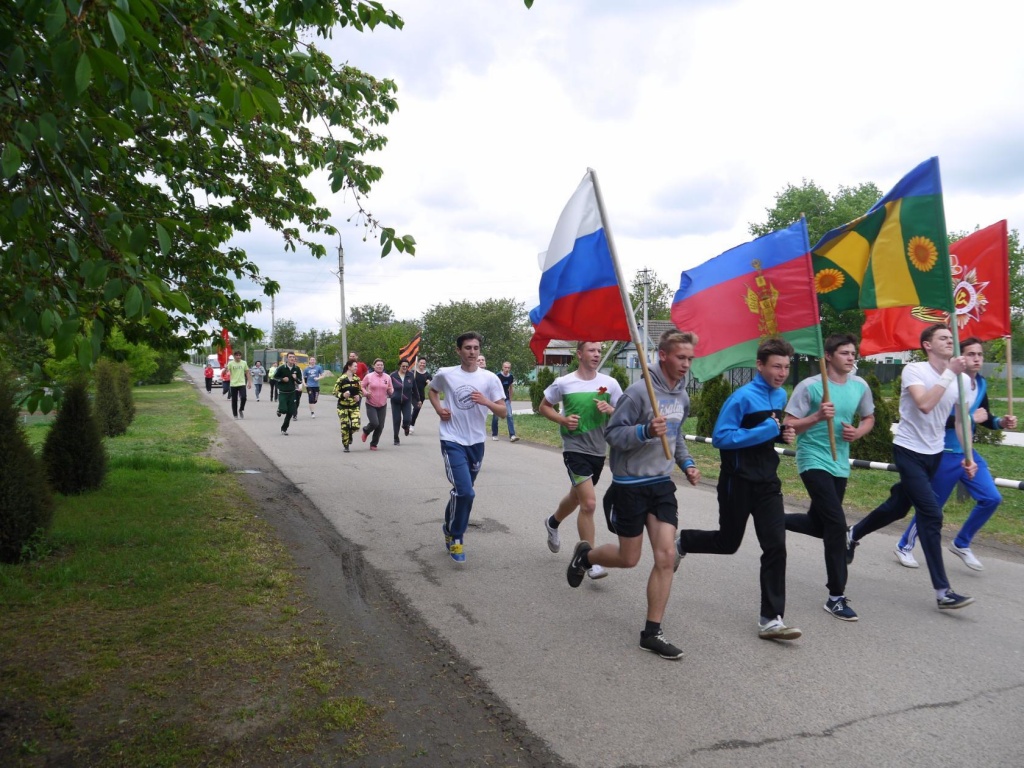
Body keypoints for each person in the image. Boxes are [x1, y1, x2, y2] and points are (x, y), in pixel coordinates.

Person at [566, 330, 700, 660]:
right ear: (664, 356)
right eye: (681, 357)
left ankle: (651, 632)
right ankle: (586, 557)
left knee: (666, 556)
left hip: (662, 485)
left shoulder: (681, 397)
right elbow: (613, 433)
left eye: (690, 359)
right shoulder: (639, 393)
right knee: (629, 558)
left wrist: (686, 463)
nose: (686, 364)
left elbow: (676, 434)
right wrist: (643, 431)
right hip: (630, 487)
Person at [676, 337, 801, 641]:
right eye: (776, 366)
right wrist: (767, 430)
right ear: (760, 365)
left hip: (768, 483)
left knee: (775, 545)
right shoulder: (741, 398)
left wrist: (781, 434)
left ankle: (771, 619)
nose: (782, 372)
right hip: (737, 480)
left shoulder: (780, 395)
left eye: (786, 366)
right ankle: (684, 541)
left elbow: (766, 433)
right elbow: (721, 438)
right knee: (728, 542)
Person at [846, 324, 976, 610]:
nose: (949, 341)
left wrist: (969, 457)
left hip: (935, 452)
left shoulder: (963, 380)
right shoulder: (915, 371)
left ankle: (852, 534)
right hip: (908, 449)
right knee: (931, 512)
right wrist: (949, 373)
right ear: (927, 345)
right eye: (943, 337)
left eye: (951, 338)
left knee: (898, 507)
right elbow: (925, 405)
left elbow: (960, 421)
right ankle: (943, 592)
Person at [894, 336, 1017, 571]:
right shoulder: (948, 381)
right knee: (933, 507)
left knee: (992, 498)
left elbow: (986, 417)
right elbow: (940, 418)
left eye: (980, 354)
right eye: (971, 354)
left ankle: (961, 543)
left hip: (967, 452)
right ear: (959, 356)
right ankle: (904, 545)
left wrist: (1002, 422)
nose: (977, 359)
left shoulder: (979, 383)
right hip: (944, 452)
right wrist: (971, 418)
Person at [783, 334, 875, 621]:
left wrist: (858, 432)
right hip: (812, 459)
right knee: (836, 526)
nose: (851, 357)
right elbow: (788, 427)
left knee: (818, 523)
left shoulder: (860, 386)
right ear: (829, 356)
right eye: (845, 353)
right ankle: (836, 596)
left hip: (839, 464)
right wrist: (816, 418)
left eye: (853, 353)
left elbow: (869, 417)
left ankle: (769, 515)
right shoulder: (810, 387)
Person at [541, 341, 623, 581]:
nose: (597, 354)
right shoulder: (564, 382)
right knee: (588, 503)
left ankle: (552, 522)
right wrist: (563, 420)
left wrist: (611, 410)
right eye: (591, 350)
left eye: (599, 351)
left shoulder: (610, 383)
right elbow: (544, 406)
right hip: (574, 449)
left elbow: (626, 414)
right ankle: (591, 559)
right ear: (579, 354)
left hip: (598, 450)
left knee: (576, 498)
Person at [428, 332, 506, 564]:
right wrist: (438, 408)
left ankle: (448, 526)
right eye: (467, 348)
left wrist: (487, 402)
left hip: (476, 442)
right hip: (452, 439)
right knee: (465, 491)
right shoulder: (446, 374)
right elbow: (432, 390)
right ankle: (456, 536)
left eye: (476, 348)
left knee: (463, 492)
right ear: (458, 351)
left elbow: (502, 412)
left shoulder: (490, 378)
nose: (472, 352)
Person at [360, 358, 393, 451]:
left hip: (383, 404)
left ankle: (374, 444)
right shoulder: (369, 376)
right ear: (374, 366)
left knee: (380, 426)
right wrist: (365, 393)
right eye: (378, 365)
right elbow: (362, 386)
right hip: (371, 403)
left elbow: (390, 387)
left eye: (381, 365)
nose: (380, 366)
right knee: (375, 423)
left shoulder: (387, 377)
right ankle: (366, 430)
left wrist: (391, 391)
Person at [332, 359, 363, 453]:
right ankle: (346, 445)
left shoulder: (357, 379)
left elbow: (361, 391)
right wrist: (342, 395)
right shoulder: (342, 379)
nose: (356, 368)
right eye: (355, 366)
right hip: (342, 406)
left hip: (354, 406)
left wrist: (359, 396)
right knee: (345, 426)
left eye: (357, 366)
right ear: (349, 367)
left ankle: (350, 434)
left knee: (356, 425)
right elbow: (334, 392)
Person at [274, 352, 302, 435]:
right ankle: (279, 410)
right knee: (284, 410)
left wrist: (295, 378)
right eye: (290, 357)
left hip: (292, 392)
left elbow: (300, 381)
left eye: (293, 357)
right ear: (287, 358)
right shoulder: (282, 368)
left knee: (290, 412)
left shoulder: (297, 369)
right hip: (283, 392)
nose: (292, 358)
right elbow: (275, 377)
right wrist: (282, 379)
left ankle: (284, 429)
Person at [492, 361, 520, 442]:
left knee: (510, 415)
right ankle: (494, 434)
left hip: (506, 398)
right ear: (502, 367)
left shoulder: (510, 377)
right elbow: (493, 387)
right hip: (497, 399)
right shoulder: (498, 376)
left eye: (508, 368)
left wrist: (510, 398)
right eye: (505, 367)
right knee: (496, 417)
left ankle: (512, 435)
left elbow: (511, 388)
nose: (507, 369)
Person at [390, 360, 416, 445]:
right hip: (395, 401)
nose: (405, 368)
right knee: (396, 420)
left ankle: (405, 426)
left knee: (407, 419)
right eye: (403, 366)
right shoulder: (393, 375)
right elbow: (388, 387)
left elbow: (414, 388)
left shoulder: (410, 375)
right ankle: (396, 438)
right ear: (399, 366)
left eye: (406, 366)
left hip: (407, 401)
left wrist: (418, 400)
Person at [227, 351, 252, 419]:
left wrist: (249, 382)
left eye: (239, 355)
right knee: (234, 400)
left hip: (242, 383)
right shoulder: (231, 363)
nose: (238, 357)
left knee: (243, 397)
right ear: (234, 356)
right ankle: (235, 414)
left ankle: (241, 409)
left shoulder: (244, 363)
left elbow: (247, 372)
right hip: (233, 384)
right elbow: (227, 371)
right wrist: (225, 370)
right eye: (237, 355)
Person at [409, 358, 432, 433]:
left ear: (425, 364)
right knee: (415, 407)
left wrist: (429, 382)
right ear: (418, 363)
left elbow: (429, 381)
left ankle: (411, 424)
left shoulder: (427, 374)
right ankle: (409, 422)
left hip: (421, 395)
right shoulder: (413, 372)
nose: (422, 364)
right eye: (421, 363)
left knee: (416, 410)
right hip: (412, 394)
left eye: (424, 363)